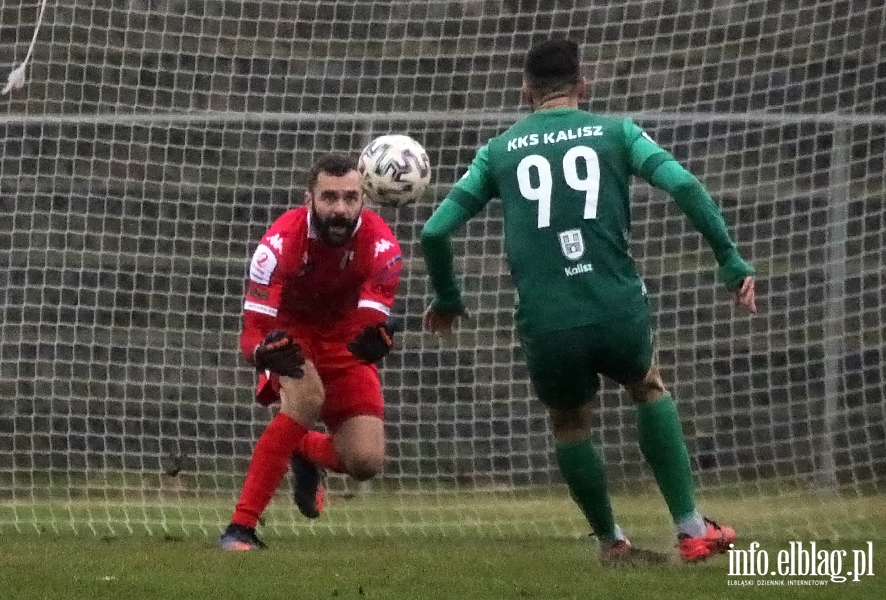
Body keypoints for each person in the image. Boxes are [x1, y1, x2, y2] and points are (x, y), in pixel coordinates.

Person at [420, 39, 757, 565]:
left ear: (526, 90)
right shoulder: (617, 133)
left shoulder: (499, 151)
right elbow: (686, 186)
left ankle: (610, 541)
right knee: (648, 388)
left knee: (571, 424)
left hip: (548, 320)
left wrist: (448, 296)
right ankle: (692, 530)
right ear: (585, 84)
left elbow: (435, 232)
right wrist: (729, 258)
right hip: (615, 306)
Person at [219, 154, 403, 550]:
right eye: (330, 197)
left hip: (341, 340)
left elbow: (367, 324)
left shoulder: (383, 246)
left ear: (364, 200)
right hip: (291, 335)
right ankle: (240, 528)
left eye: (350, 198)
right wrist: (266, 353)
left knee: (365, 463)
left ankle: (304, 449)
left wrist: (377, 339)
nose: (340, 209)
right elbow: (251, 334)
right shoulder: (279, 244)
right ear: (310, 199)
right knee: (306, 400)